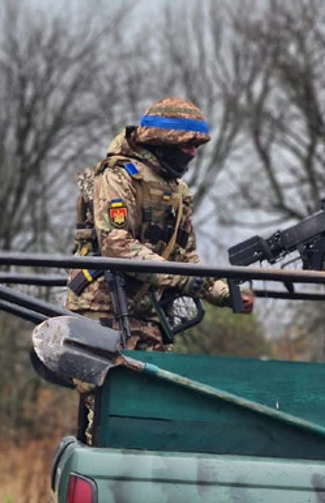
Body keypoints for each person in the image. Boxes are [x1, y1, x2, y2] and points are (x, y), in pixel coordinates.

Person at [65, 97, 253, 351]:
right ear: (164, 140)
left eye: (196, 146)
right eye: (188, 144)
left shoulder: (178, 191)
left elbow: (186, 258)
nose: (193, 153)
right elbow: (116, 246)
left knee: (157, 378)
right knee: (111, 378)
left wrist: (223, 293)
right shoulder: (118, 177)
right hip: (102, 309)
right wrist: (181, 278)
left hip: (149, 313)